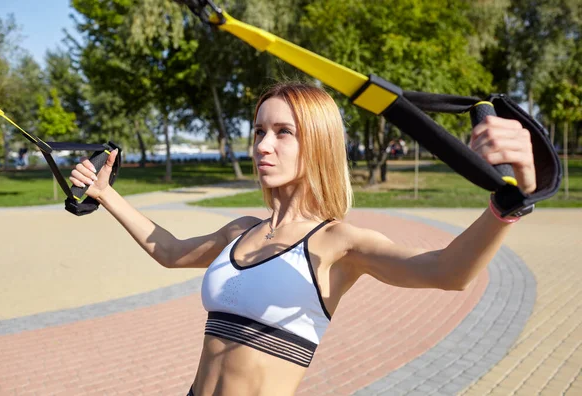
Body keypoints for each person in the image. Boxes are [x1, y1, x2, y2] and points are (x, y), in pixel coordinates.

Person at [69, 82, 536, 396]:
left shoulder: (338, 243)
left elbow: (447, 271)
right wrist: (106, 195)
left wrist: (511, 203)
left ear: (317, 142)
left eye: (282, 132)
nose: (262, 146)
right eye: (258, 132)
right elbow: (169, 252)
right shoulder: (242, 230)